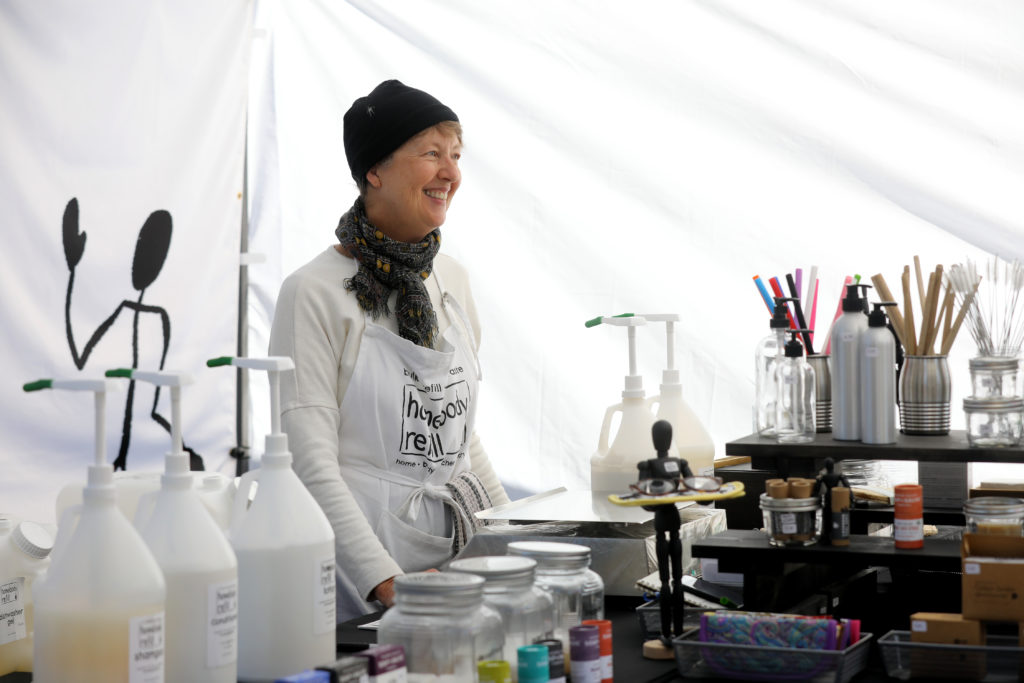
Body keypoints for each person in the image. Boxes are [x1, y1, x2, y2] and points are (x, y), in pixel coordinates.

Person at [269, 80, 510, 621]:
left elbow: (461, 443)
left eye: (455, 155)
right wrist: (387, 583)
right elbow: (309, 461)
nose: (450, 172)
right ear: (374, 171)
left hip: (454, 568)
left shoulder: (451, 281)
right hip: (354, 589)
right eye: (431, 154)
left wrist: (513, 544)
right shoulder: (313, 292)